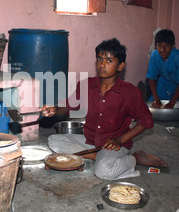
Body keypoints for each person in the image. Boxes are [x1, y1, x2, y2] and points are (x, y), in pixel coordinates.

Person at [41, 38, 167, 181]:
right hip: (89, 141)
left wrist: (120, 140)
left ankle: (134, 158)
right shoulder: (86, 85)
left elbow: (146, 121)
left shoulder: (130, 92)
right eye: (99, 59)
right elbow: (68, 107)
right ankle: (96, 156)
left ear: (120, 66)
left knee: (102, 172)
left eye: (109, 61)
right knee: (54, 140)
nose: (102, 65)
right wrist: (55, 109)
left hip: (114, 145)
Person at [146, 29, 179, 119]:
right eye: (159, 45)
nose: (163, 49)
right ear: (155, 45)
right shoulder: (154, 55)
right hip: (165, 83)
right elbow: (151, 78)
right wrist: (156, 99)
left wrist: (172, 103)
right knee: (152, 108)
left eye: (166, 45)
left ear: (172, 45)